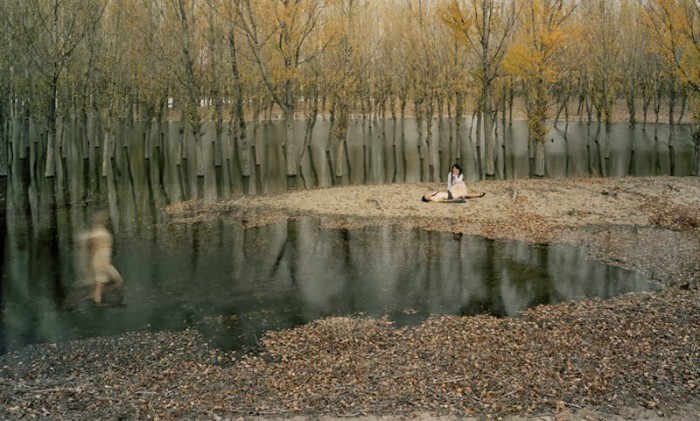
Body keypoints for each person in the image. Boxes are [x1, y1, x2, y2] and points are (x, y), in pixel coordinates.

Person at [67, 211, 125, 307]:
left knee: (118, 281)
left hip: (106, 262)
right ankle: (96, 302)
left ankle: (92, 297)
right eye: (98, 217)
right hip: (100, 262)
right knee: (100, 284)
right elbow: (88, 246)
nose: (101, 218)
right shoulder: (93, 233)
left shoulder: (100, 230)